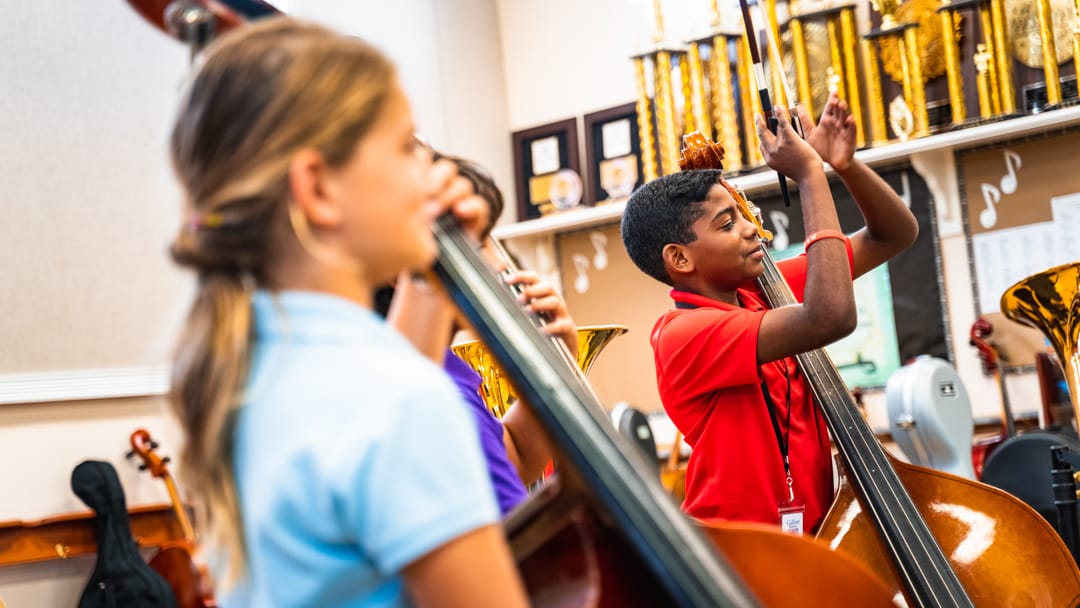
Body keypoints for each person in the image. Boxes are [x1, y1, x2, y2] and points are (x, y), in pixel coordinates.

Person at [166, 18, 528, 607]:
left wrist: (435, 275)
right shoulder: (400, 403)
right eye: (406, 146)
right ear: (318, 189)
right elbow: (393, 412)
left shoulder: (247, 365)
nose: (435, 175)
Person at [620, 94, 918, 534]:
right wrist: (810, 175)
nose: (750, 228)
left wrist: (843, 166)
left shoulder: (762, 291)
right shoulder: (683, 333)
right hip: (742, 556)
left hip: (812, 537)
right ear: (679, 259)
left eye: (741, 214)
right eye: (726, 224)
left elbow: (893, 235)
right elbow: (830, 316)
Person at [377, 154, 576, 514]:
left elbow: (511, 460)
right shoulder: (436, 393)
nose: (501, 263)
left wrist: (558, 361)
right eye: (479, 239)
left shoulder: (444, 365)